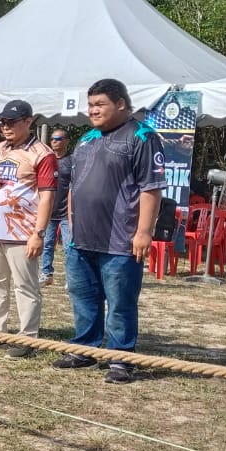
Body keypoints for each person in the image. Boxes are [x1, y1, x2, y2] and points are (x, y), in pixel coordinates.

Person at [54, 79, 167, 385]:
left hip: (120, 240)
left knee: (120, 302)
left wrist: (144, 232)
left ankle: (121, 358)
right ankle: (85, 348)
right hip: (81, 238)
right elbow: (75, 185)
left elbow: (151, 188)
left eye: (99, 104)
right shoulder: (87, 139)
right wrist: (71, 223)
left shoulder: (142, 136)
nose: (93, 110)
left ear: (120, 104)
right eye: (90, 105)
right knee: (83, 296)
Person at [0, 101, 56, 359]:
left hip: (23, 232)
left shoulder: (42, 154)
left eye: (11, 122)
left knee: (25, 285)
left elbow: (47, 196)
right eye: (2, 122)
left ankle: (27, 337)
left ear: (28, 122)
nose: (5, 127)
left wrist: (38, 234)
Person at [40, 127, 73, 287]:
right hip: (49, 212)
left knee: (69, 247)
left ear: (67, 141)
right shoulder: (47, 159)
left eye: (58, 139)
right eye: (52, 139)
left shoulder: (72, 161)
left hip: (67, 212)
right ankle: (46, 274)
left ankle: (71, 277)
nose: (54, 141)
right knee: (47, 244)